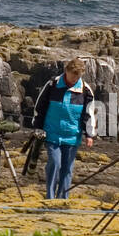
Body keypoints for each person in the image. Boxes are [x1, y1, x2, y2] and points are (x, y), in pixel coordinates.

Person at [33, 58, 96, 200]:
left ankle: (63, 199)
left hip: (73, 136)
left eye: (77, 77)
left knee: (67, 169)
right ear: (66, 71)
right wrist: (37, 127)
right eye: (72, 76)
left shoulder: (86, 90)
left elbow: (89, 113)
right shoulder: (52, 84)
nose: (74, 79)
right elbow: (40, 106)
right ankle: (49, 198)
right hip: (52, 133)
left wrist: (89, 134)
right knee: (55, 163)